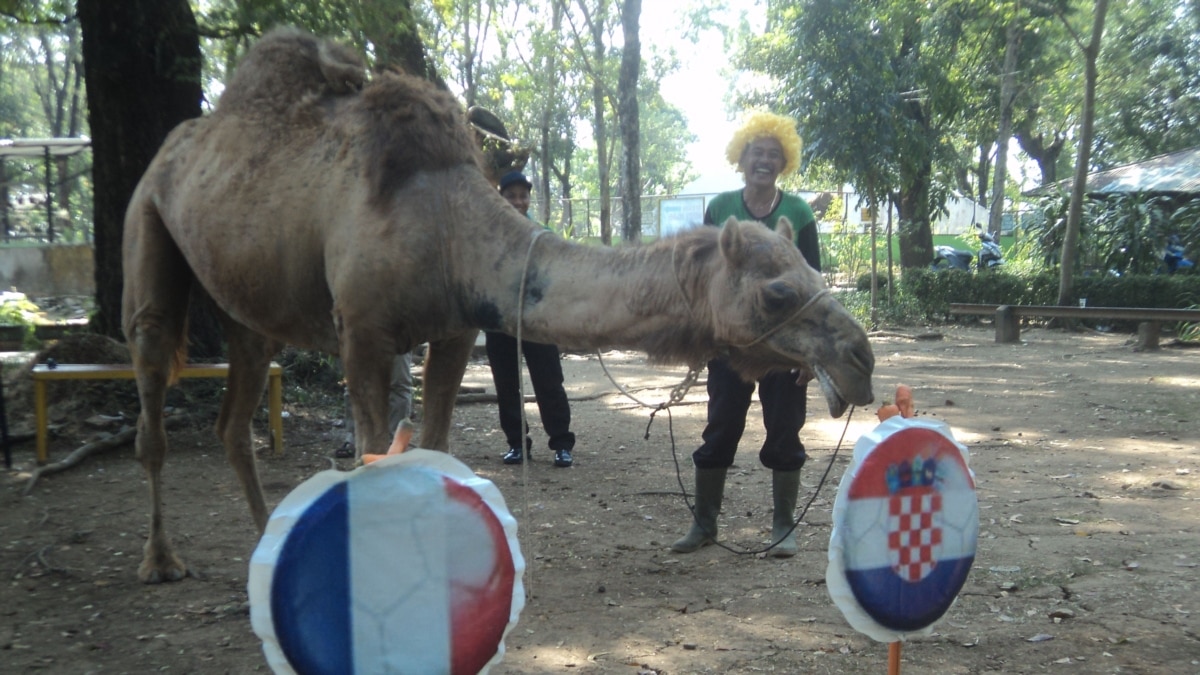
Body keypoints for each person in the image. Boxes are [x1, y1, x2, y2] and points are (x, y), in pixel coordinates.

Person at [671, 112, 819, 558]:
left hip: (783, 348)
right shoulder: (720, 209)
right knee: (720, 430)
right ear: (742, 158)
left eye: (774, 154)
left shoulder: (798, 212)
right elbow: (699, 278)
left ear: (784, 162)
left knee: (785, 432)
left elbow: (813, 284)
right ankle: (704, 524)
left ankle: (782, 525)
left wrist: (810, 353)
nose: (765, 160)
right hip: (729, 346)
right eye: (758, 152)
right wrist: (699, 339)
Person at [486, 171, 576, 468]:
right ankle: (516, 444)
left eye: (522, 195)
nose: (517, 201)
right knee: (506, 384)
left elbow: (556, 277)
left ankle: (562, 443)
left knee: (549, 382)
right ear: (501, 199)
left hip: (537, 321)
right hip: (500, 322)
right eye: (510, 195)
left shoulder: (542, 233)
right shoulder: (488, 236)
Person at [335, 354, 413, 458]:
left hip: (400, 339)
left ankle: (395, 443)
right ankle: (354, 438)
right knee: (354, 383)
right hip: (359, 339)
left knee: (398, 383)